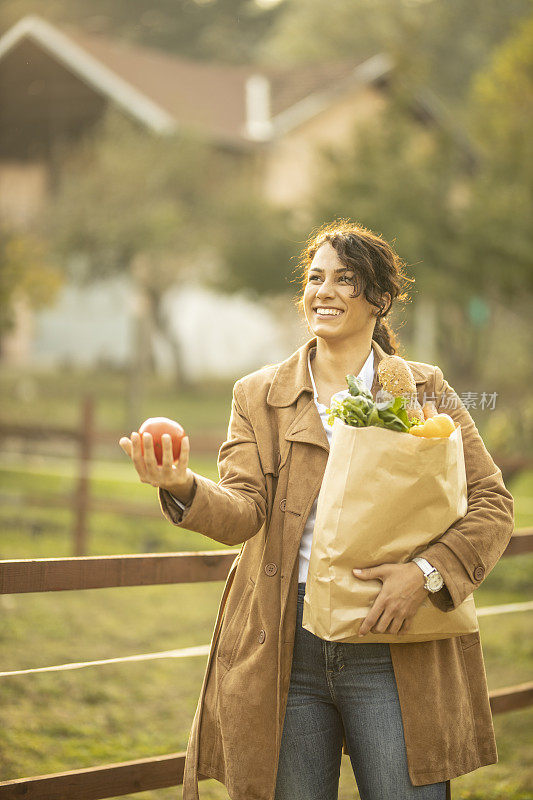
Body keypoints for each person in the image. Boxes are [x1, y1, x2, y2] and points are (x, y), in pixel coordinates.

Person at [119, 220, 514, 800]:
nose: (323, 291)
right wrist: (182, 484)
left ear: (380, 299)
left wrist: (424, 573)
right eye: (315, 278)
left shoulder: (423, 390)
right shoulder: (258, 395)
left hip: (392, 638)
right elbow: (244, 511)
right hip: (284, 646)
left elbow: (491, 502)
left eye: (345, 280)